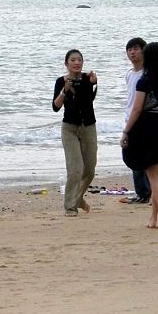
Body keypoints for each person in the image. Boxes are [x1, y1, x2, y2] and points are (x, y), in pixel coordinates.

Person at [120, 42, 158, 228]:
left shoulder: (144, 81)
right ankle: (153, 218)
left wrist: (126, 131)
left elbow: (137, 109)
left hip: (147, 129)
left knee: (154, 177)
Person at [52, 49, 98, 217]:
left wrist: (93, 84)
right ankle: (70, 207)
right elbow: (55, 107)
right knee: (75, 169)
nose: (77, 63)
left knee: (90, 170)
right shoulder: (61, 81)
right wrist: (65, 90)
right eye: (73, 60)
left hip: (88, 126)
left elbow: (88, 101)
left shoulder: (88, 79)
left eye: (79, 60)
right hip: (69, 128)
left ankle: (78, 197)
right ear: (66, 64)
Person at [121, 37, 151, 205]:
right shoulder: (129, 74)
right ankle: (144, 191)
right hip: (129, 118)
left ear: (143, 51)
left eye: (136, 49)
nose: (132, 52)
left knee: (140, 158)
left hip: (143, 120)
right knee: (131, 157)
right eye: (129, 49)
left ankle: (144, 193)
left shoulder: (147, 74)